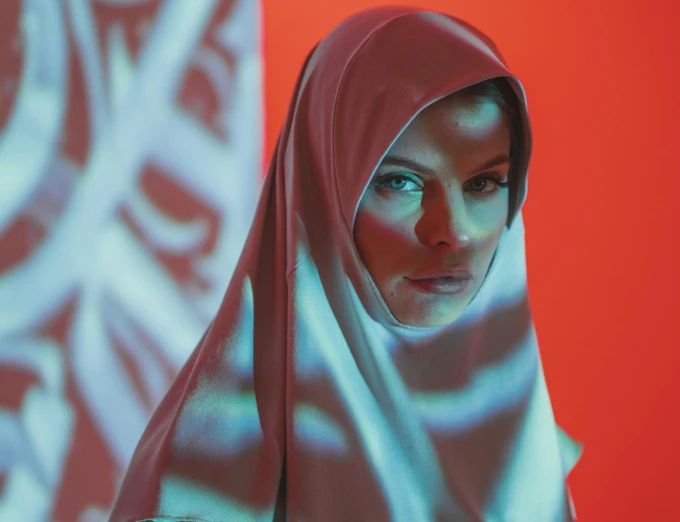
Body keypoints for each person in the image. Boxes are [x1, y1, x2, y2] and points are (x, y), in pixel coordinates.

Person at [108, 5, 581, 522]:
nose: (454, 231)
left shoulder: (521, 449)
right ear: (321, 189)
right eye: (398, 182)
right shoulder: (206, 481)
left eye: (484, 183)